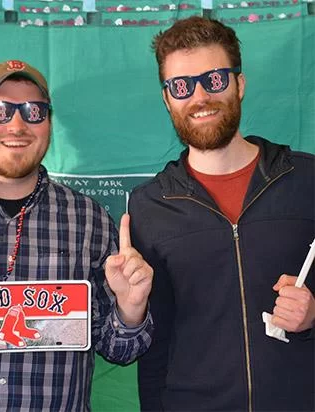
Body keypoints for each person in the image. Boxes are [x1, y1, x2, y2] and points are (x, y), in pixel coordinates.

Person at [0, 59, 154, 411]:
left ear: (48, 124)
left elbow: (121, 350)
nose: (17, 124)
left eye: (34, 111)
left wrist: (130, 310)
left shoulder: (89, 220)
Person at [129, 16, 315, 412]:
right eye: (181, 86)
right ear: (167, 99)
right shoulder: (149, 206)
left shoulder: (307, 180)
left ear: (239, 85)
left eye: (214, 80)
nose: (199, 97)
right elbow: (154, 346)